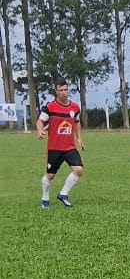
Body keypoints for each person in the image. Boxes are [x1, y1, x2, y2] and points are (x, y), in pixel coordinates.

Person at [37, 78, 83, 208]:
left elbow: (77, 122)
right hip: (54, 148)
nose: (64, 92)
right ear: (56, 91)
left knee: (78, 169)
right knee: (50, 175)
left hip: (69, 147)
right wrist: (40, 130)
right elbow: (40, 121)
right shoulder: (50, 107)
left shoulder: (75, 107)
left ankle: (63, 194)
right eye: (61, 90)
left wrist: (79, 138)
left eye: (66, 90)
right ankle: (45, 198)